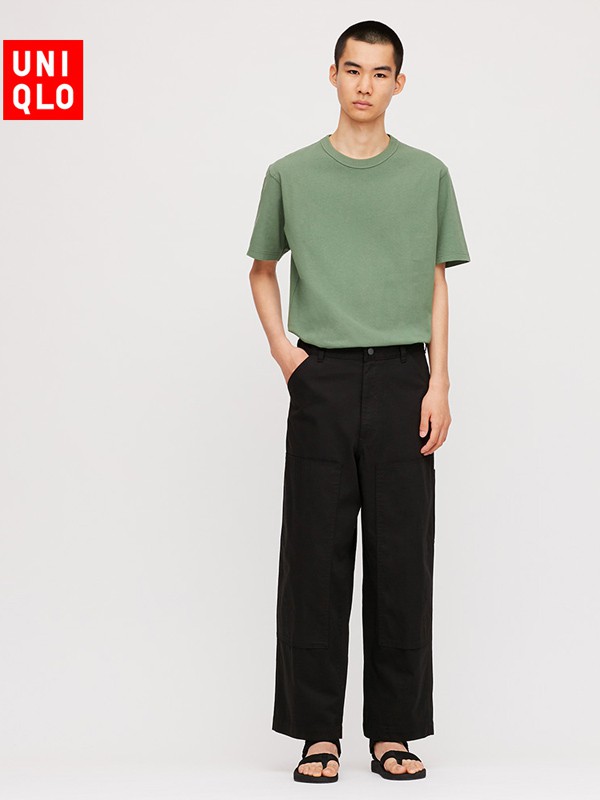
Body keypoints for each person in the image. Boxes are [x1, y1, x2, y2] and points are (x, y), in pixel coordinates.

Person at [246, 19, 471, 783]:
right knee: (315, 557)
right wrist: (286, 356)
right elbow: (261, 269)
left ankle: (392, 732)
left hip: (406, 377)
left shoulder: (427, 175)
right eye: (353, 69)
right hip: (324, 379)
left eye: (380, 73)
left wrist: (440, 381)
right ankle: (318, 733)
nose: (365, 85)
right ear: (333, 74)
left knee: (401, 558)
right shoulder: (291, 173)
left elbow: (437, 281)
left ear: (399, 84)